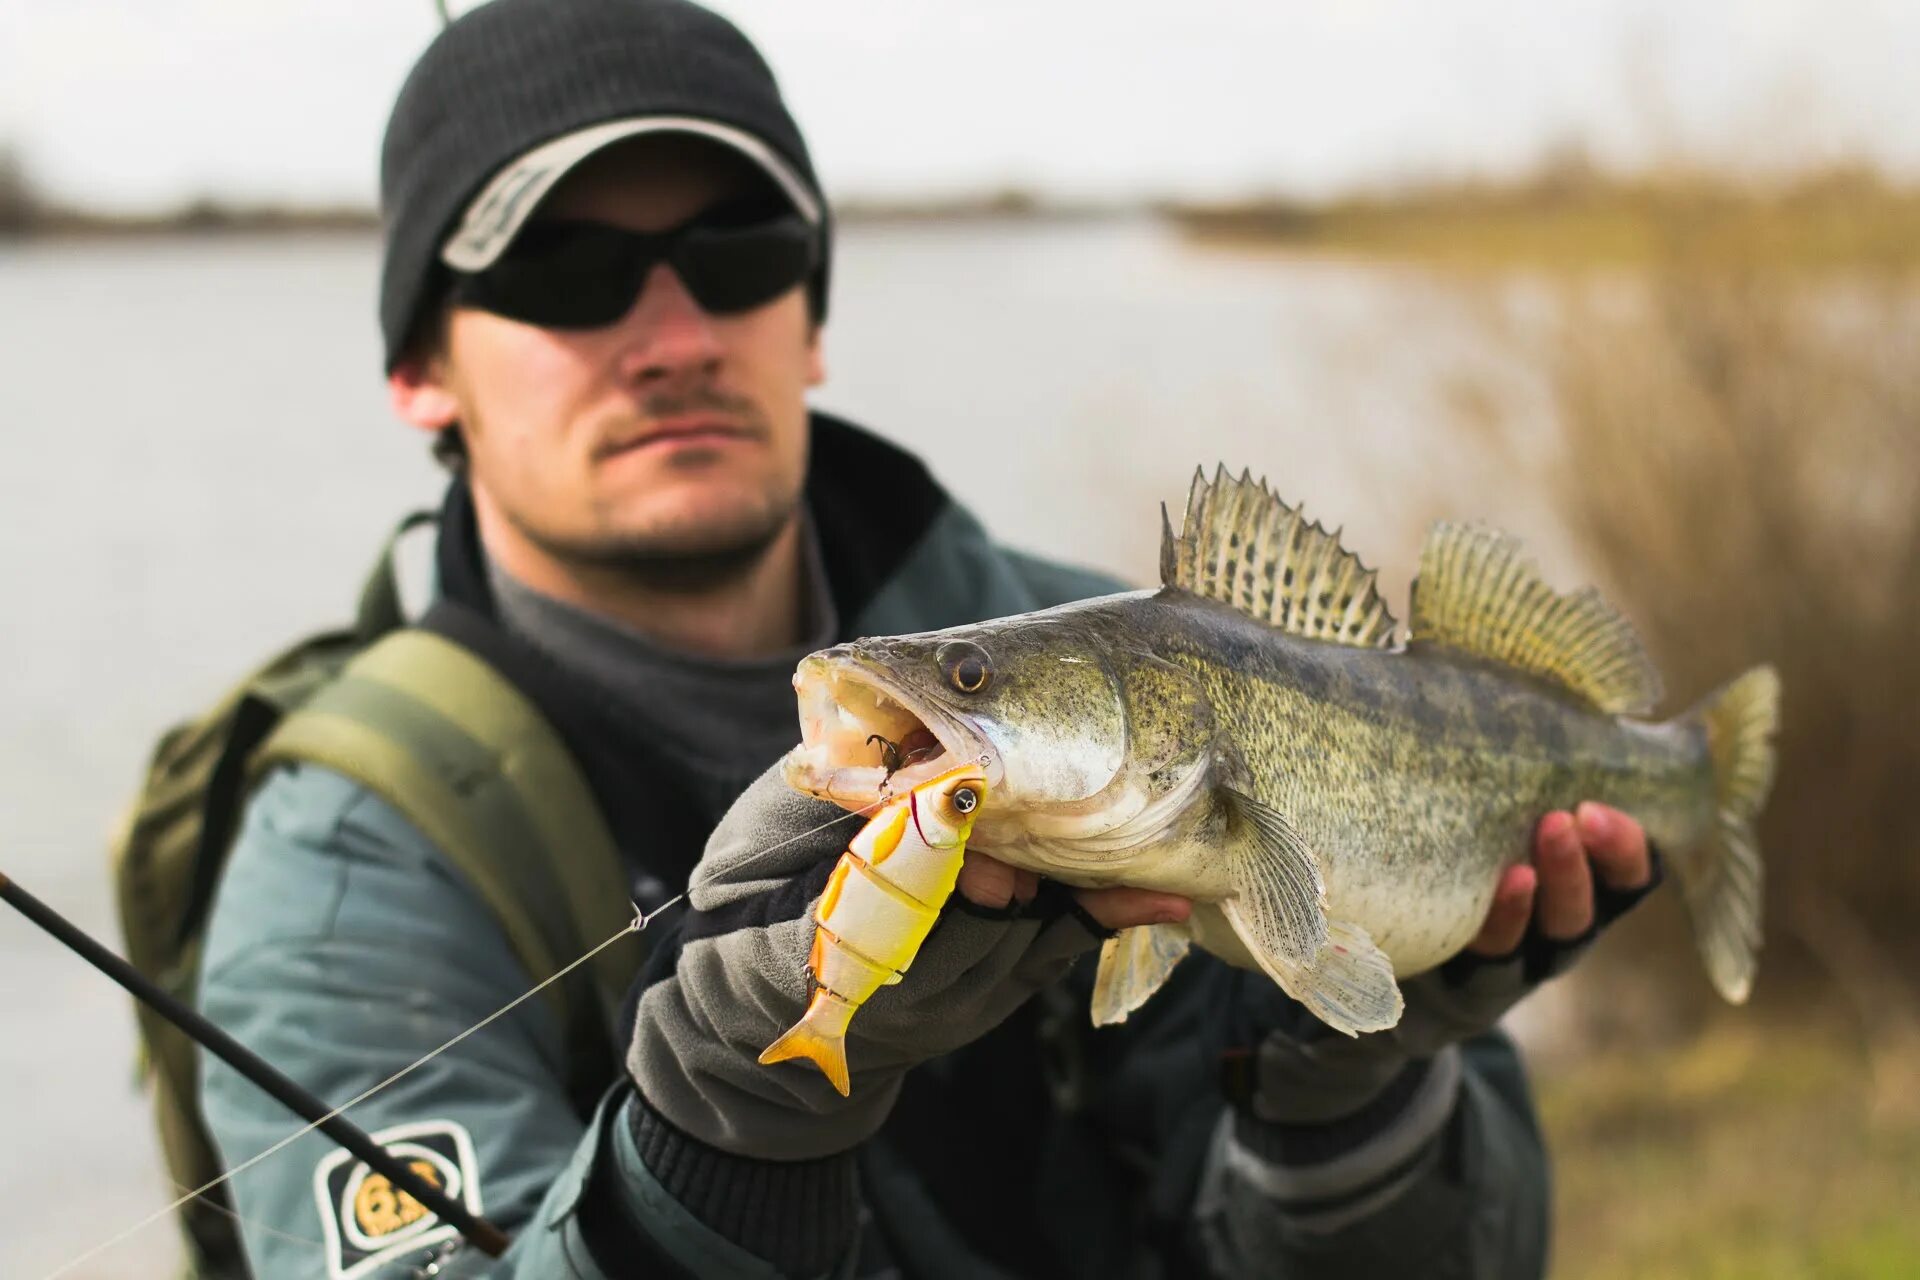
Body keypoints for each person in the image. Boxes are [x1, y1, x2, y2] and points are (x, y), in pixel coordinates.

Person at [191, 1, 1661, 1277]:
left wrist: (1349, 1096)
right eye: (563, 271)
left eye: (738, 245)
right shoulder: (347, 869)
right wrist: (719, 1135)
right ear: (417, 374)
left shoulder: (1135, 685)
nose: (675, 329)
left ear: (812, 319)